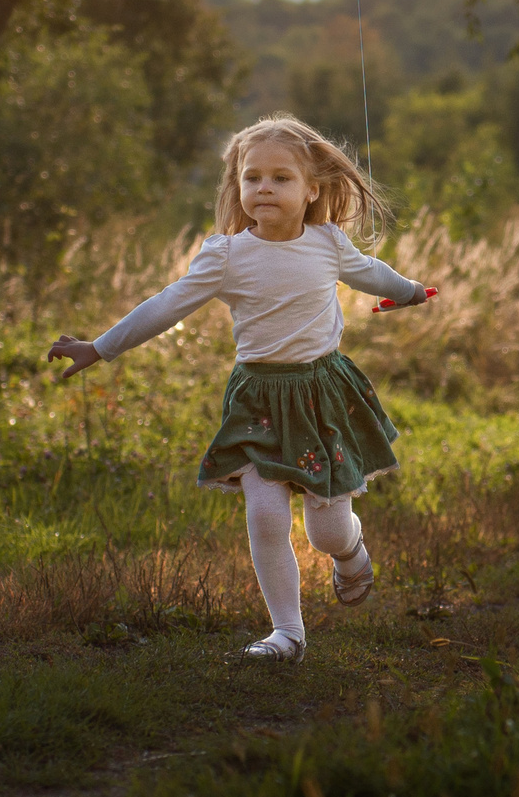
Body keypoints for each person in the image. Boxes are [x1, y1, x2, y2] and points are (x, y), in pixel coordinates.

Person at [47, 116, 435, 662]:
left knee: (325, 532)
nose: (264, 188)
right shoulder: (226, 255)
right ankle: (288, 634)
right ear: (238, 186)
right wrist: (101, 346)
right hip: (258, 401)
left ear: (311, 190)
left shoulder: (327, 242)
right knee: (266, 516)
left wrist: (411, 291)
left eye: (281, 178)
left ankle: (350, 552)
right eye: (252, 178)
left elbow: (372, 274)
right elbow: (167, 304)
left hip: (322, 396)